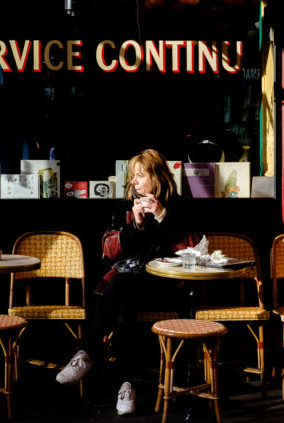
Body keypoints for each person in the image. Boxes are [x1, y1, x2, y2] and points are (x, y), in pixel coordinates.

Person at [55, 148, 200, 415]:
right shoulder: (125, 208)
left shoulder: (179, 207)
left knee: (121, 287)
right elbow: (109, 251)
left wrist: (162, 216)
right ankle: (127, 387)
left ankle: (87, 353)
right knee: (124, 305)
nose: (133, 182)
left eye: (139, 176)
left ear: (157, 178)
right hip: (128, 290)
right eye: (132, 176)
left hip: (167, 287)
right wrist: (135, 224)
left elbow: (193, 249)